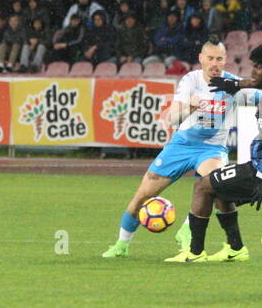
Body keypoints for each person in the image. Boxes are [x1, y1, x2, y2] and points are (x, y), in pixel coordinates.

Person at [101, 37, 244, 261]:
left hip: (212, 148)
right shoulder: (191, 81)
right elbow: (171, 118)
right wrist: (191, 106)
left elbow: (261, 96)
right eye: (210, 58)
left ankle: (193, 234)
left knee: (214, 187)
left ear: (225, 60)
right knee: (143, 195)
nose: (215, 63)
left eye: (219, 58)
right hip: (182, 145)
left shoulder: (234, 83)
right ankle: (121, 244)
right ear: (201, 59)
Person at [174, 44, 262, 263]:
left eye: (259, 67)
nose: (253, 71)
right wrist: (234, 84)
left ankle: (195, 253)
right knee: (221, 191)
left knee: (202, 186)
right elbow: (256, 83)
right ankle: (236, 248)